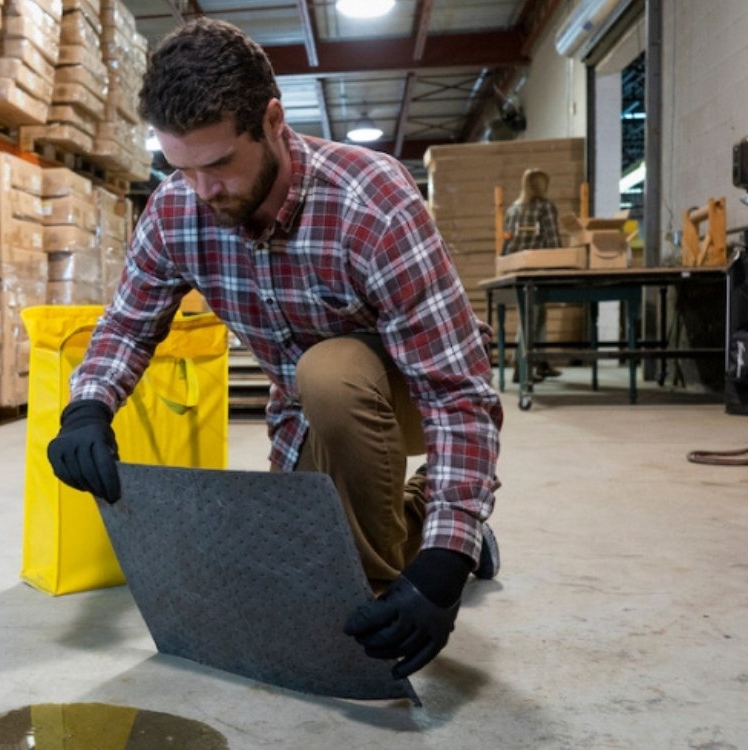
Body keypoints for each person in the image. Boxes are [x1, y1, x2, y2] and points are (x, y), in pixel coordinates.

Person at [46, 18, 503, 680]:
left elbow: (455, 393)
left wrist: (442, 569)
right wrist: (86, 407)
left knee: (331, 375)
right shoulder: (179, 209)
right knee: (290, 555)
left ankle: (371, 604)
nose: (204, 192)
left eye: (220, 164)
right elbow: (127, 323)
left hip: (411, 381)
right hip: (306, 409)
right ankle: (424, 519)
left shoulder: (371, 202)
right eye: (180, 168)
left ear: (273, 122)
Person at [502, 168, 563, 381]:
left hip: (515, 271)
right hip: (538, 271)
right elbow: (553, 240)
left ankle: (540, 363)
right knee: (531, 319)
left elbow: (506, 243)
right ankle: (522, 367)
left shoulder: (512, 210)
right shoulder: (545, 207)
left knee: (534, 316)